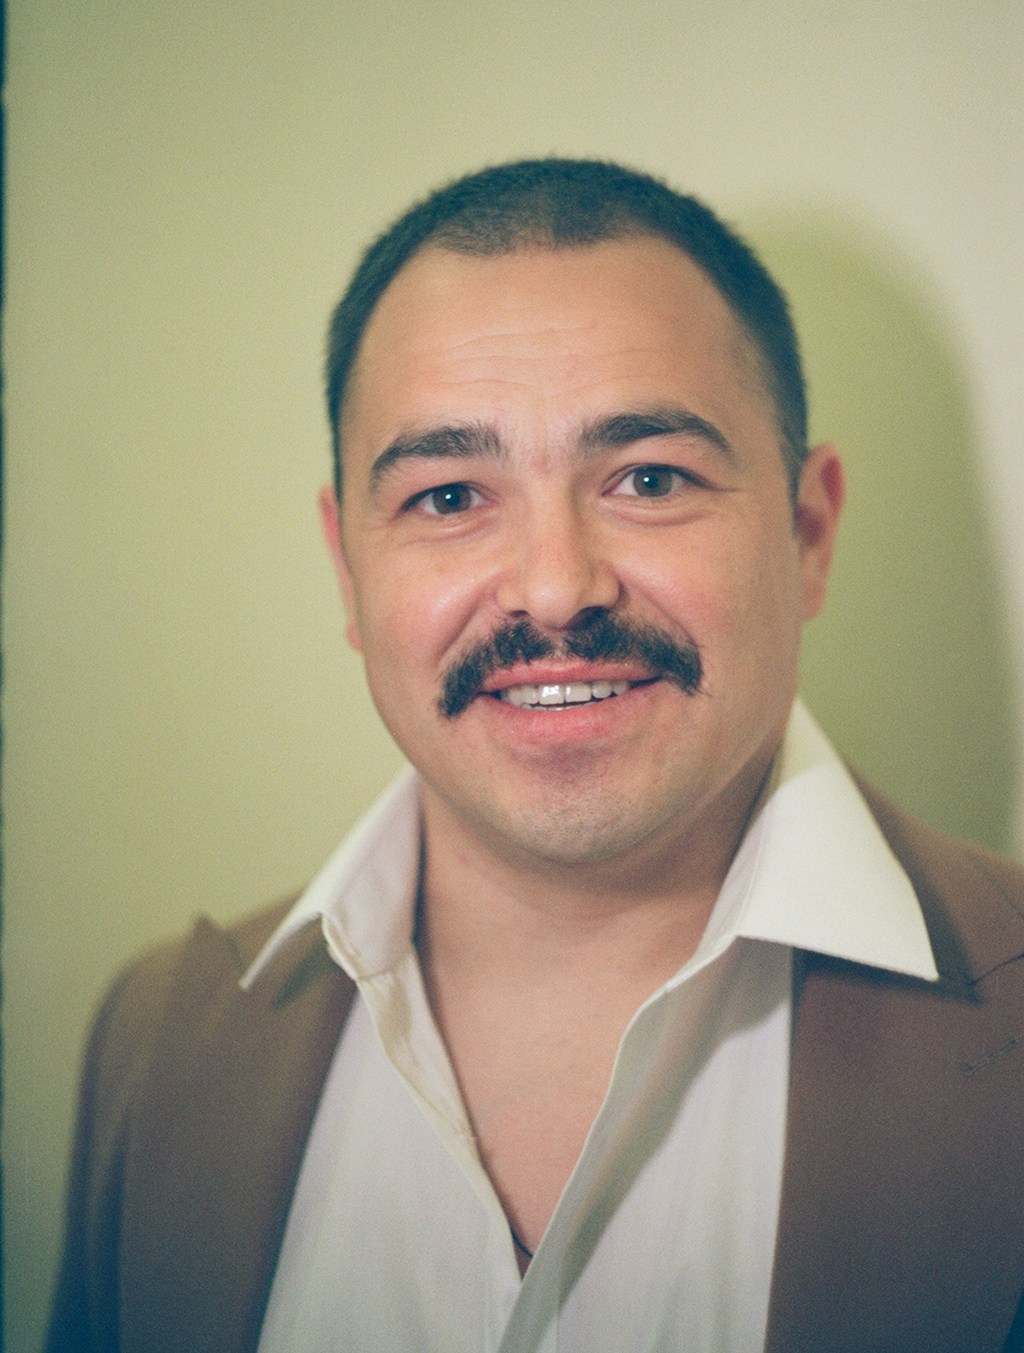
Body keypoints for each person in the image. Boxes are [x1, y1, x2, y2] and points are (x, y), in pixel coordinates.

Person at [47, 159, 1024, 1353]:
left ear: (806, 532)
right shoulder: (158, 1043)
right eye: (450, 497)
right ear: (348, 569)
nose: (555, 587)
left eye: (648, 479)